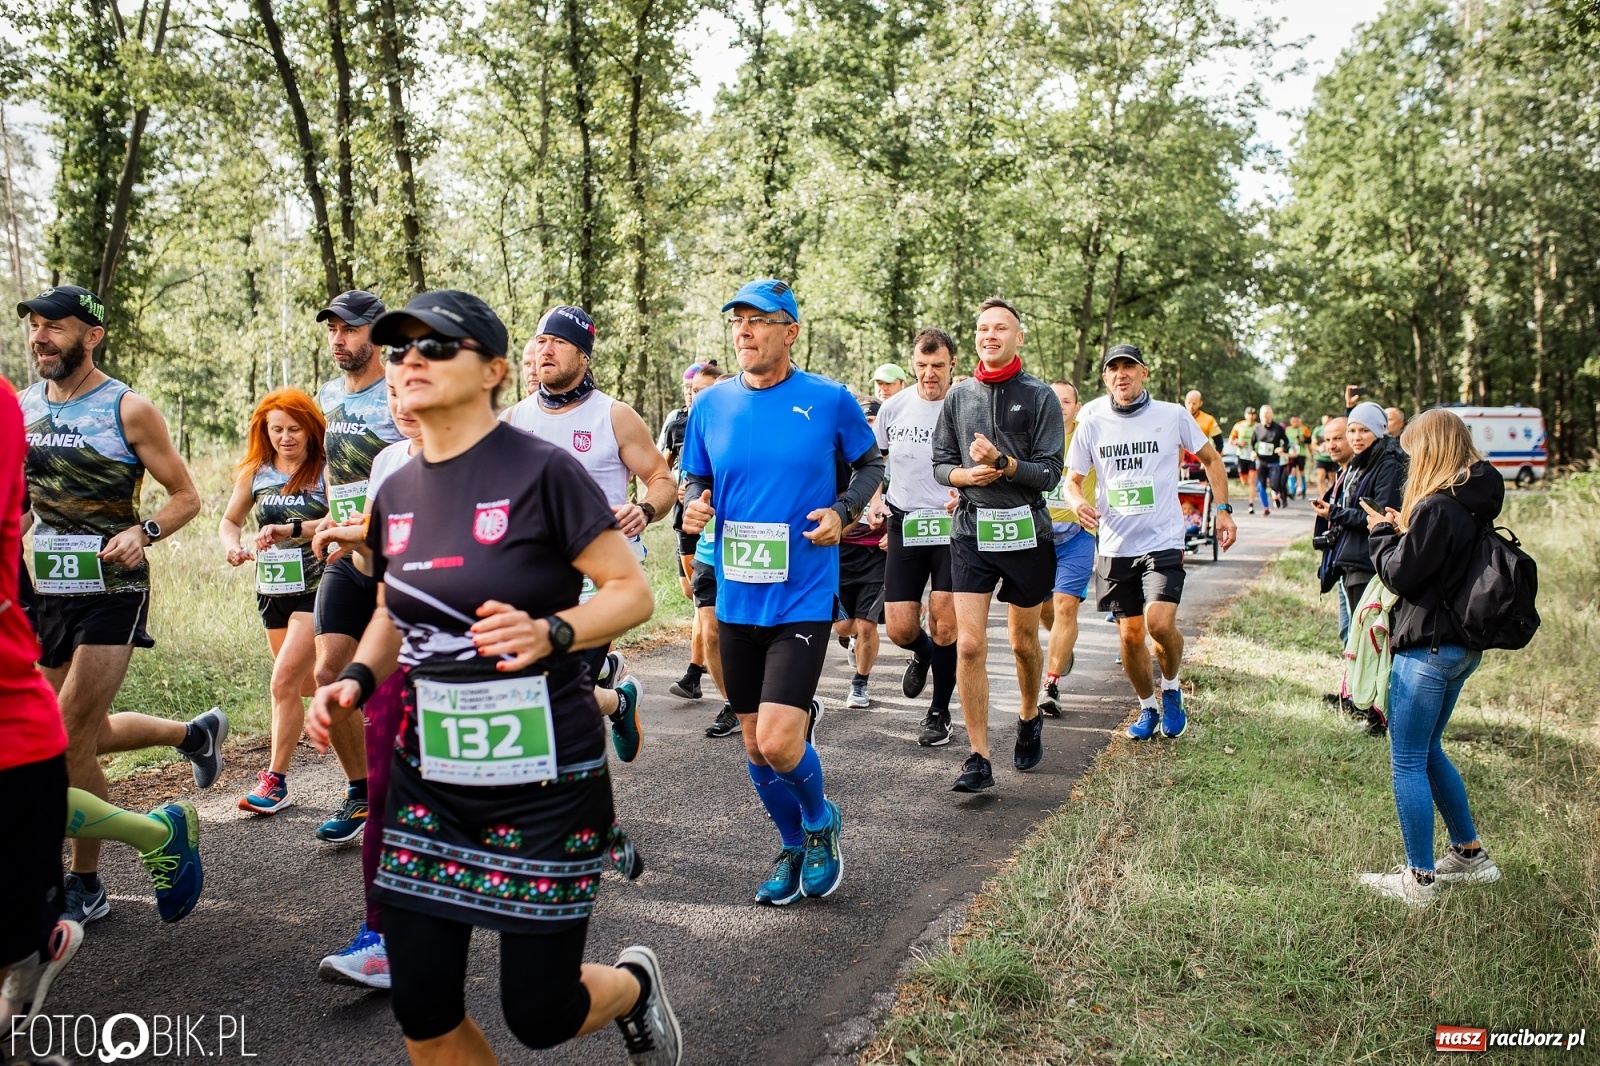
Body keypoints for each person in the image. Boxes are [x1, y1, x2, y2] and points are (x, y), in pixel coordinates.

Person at [306, 289, 681, 1065]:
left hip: (543, 779)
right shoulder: (398, 485)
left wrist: (554, 631)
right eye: (400, 347)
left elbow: (630, 593)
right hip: (428, 778)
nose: (410, 359)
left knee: (539, 1014)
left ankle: (635, 988)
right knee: (423, 1008)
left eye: (435, 346)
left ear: (493, 371)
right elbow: (391, 608)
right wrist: (357, 680)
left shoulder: (542, 470)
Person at [17, 286, 223, 926]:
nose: (40, 337)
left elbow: (186, 496)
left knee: (69, 734)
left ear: (93, 335)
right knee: (73, 736)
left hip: (113, 590)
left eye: (55, 326)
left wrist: (146, 532)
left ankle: (87, 881)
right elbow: (25, 504)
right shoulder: (24, 406)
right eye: (35, 326)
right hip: (47, 588)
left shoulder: (128, 408)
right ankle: (194, 733)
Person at [681, 278, 882, 904]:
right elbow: (694, 477)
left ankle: (821, 822)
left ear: (789, 332)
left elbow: (871, 464)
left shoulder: (829, 400)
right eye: (737, 320)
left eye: (758, 320)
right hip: (737, 594)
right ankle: (793, 844)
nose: (743, 331)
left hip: (802, 591)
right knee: (751, 740)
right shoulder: (711, 406)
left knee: (776, 739)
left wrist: (844, 511)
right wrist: (692, 505)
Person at [504, 304, 677, 761]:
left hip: (601, 576)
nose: (547, 349)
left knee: (559, 688)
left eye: (560, 342)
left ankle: (566, 807)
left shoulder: (614, 416)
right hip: (534, 575)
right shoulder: (513, 421)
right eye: (541, 340)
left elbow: (662, 480)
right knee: (540, 686)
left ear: (584, 357)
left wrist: (645, 509)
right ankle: (619, 702)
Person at [1358, 409, 1504, 906]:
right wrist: (1406, 530)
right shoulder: (1472, 500)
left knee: (1406, 760)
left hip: (1429, 649)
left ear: (1433, 449)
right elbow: (1436, 557)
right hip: (1462, 646)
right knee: (1429, 750)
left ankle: (1419, 880)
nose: (1409, 458)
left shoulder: (1437, 507)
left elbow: (1402, 575)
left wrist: (1380, 533)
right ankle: (1470, 855)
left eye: (1415, 449)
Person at [309, 362, 421, 989]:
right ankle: (382, 937)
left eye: (419, 387)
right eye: (396, 391)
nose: (404, 404)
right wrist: (355, 675)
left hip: (484, 670)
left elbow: (617, 589)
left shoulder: (514, 463)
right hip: (403, 651)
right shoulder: (387, 465)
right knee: (385, 792)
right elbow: (388, 573)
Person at [1064, 344, 1237, 741]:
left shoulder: (1172, 415)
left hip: (1162, 538)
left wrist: (1223, 509)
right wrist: (1078, 505)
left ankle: (1172, 687)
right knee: (1129, 635)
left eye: (1129, 367)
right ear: (1105, 378)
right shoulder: (1091, 421)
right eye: (1113, 369)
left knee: (1159, 625)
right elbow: (1072, 482)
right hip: (1114, 544)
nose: (1121, 375)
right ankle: (1147, 707)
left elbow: (1211, 459)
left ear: (1144, 373)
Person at [932, 298, 1062, 792]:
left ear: (1018, 337)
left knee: (1022, 643)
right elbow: (941, 462)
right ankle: (978, 756)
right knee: (969, 644)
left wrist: (1005, 464)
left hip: (1026, 532)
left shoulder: (1041, 396)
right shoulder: (958, 396)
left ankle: (1029, 716)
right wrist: (964, 474)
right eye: (984, 328)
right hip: (971, 532)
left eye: (1001, 328)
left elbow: (1049, 473)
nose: (991, 335)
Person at [311, 289, 402, 845]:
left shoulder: (398, 391)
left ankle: (404, 783)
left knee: (391, 681)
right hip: (347, 551)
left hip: (396, 552)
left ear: (377, 333)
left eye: (349, 329)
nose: (339, 340)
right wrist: (328, 520)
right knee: (328, 673)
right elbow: (332, 469)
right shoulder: (328, 394)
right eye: (332, 330)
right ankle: (361, 792)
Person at [219, 389, 329, 814]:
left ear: (310, 428)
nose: (285, 437)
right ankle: (362, 704)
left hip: (316, 587)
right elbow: (230, 520)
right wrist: (233, 546)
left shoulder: (324, 469)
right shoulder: (257, 472)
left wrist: (294, 529)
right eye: (277, 429)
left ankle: (275, 781)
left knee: (282, 683)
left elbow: (338, 517)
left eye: (294, 429)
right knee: (304, 685)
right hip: (271, 591)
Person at [875, 328, 960, 746]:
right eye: (922, 366)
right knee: (900, 629)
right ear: (913, 365)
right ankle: (924, 654)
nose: (930, 375)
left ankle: (939, 713)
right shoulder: (894, 407)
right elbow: (872, 461)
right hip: (905, 522)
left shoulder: (965, 408)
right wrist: (875, 500)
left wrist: (967, 493)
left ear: (952, 366)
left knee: (945, 618)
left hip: (951, 525)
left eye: (938, 367)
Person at [1316, 402, 1407, 728]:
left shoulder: (1388, 463)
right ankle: (1358, 698)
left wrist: (1334, 514)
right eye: (1352, 430)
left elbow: (1378, 516)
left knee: (1373, 641)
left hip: (1369, 561)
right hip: (1349, 559)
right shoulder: (1359, 463)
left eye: (1363, 430)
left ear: (1379, 431)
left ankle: (1375, 712)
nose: (1356, 437)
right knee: (1354, 636)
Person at [1036, 380, 1095, 718]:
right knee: (1045, 611)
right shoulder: (1033, 439)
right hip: (1038, 536)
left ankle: (1052, 683)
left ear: (1077, 405)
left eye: (1066, 400)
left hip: (1078, 535)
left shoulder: (1089, 437)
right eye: (1053, 400)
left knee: (1065, 607)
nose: (1059, 406)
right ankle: (1063, 647)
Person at [662, 362, 713, 702]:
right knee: (690, 593)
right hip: (686, 516)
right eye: (693, 390)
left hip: (714, 521)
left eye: (703, 390)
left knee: (701, 598)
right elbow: (660, 467)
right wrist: (676, 489)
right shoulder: (678, 422)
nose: (695, 396)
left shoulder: (727, 418)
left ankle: (695, 672)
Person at [1250, 405, 1290, 513]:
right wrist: (1253, 452)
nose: (1265, 416)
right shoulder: (1257, 429)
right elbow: (1251, 444)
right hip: (1261, 461)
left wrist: (1282, 448)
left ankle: (1275, 494)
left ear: (1271, 415)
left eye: (1267, 414)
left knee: (1274, 484)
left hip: (1274, 462)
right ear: (1260, 415)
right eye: (1263, 414)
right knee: (1261, 484)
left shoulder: (1278, 428)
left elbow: (1287, 442)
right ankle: (1266, 508)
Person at [1228, 408, 1259, 512]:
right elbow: (1231, 440)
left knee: (1252, 481)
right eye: (1249, 414)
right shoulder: (1238, 425)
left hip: (1253, 456)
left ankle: (1251, 504)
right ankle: (1250, 486)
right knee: (1245, 481)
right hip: (1241, 456)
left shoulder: (1258, 426)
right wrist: (1238, 443)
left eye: (1253, 414)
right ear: (1245, 415)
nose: (1251, 416)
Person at [1284, 414, 1309, 499]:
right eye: (1293, 421)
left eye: (1296, 421)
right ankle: (1292, 491)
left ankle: (1303, 489)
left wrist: (1303, 440)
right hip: (1291, 454)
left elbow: (1309, 440)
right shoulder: (1287, 430)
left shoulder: (1303, 429)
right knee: (1292, 471)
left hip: (1301, 453)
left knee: (1301, 471)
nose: (1295, 423)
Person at [1312, 414, 1336, 496]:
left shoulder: (1335, 429)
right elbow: (1313, 444)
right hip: (1321, 457)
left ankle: (1332, 496)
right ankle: (1322, 497)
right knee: (1320, 477)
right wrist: (1319, 448)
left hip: (1332, 457)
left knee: (1332, 478)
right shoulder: (1318, 430)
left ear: (1331, 419)